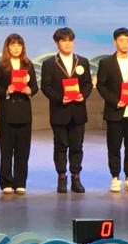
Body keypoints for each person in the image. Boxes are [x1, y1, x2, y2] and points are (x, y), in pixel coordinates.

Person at [40, 26, 93, 194]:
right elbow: (46, 86)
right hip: (59, 111)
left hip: (78, 111)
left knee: (77, 146)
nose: (68, 43)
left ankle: (76, 177)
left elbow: (88, 83)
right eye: (64, 41)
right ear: (57, 43)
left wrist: (83, 95)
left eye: (70, 40)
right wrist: (59, 98)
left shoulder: (82, 61)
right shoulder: (49, 63)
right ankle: (62, 176)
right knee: (60, 145)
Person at [0, 33, 39, 194]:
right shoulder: (1, 66)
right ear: (7, 47)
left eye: (19, 45)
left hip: (24, 112)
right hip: (7, 113)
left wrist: (30, 90)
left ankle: (20, 182)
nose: (16, 48)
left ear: (23, 47)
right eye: (13, 45)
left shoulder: (28, 65)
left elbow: (35, 87)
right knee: (6, 150)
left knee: (23, 150)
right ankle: (6, 182)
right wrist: (6, 91)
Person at [96, 27, 128, 193]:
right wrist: (115, 101)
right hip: (115, 112)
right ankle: (115, 177)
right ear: (115, 42)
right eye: (122, 40)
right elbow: (101, 86)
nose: (125, 44)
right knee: (114, 147)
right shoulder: (106, 63)